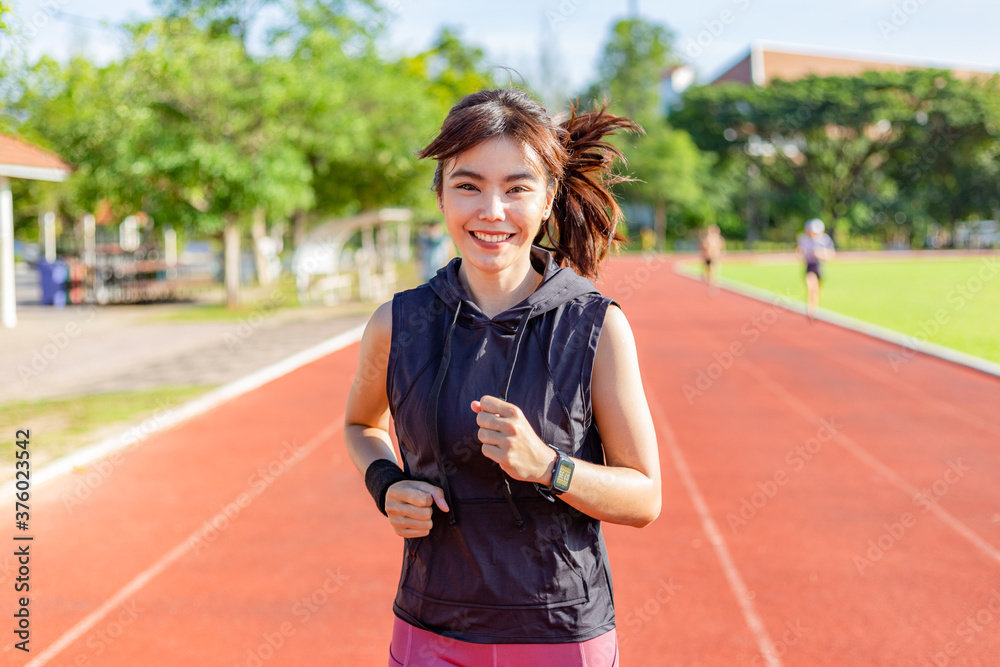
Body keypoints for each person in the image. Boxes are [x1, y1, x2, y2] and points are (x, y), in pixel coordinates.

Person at [344, 88, 661, 667]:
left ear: (547, 200)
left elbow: (644, 495)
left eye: (517, 188)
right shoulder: (397, 323)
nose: (492, 210)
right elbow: (360, 423)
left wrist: (549, 466)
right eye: (468, 185)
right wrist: (386, 483)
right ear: (439, 194)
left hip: (562, 633)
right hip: (430, 627)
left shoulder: (597, 326)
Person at [796, 218, 835, 319]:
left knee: (816, 290)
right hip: (810, 265)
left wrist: (820, 253)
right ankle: (810, 309)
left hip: (820, 266)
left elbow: (831, 255)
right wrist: (801, 253)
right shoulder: (803, 239)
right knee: (811, 286)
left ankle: (814, 309)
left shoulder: (824, 240)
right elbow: (799, 252)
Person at [698, 224, 725, 291]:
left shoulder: (719, 239)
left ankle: (713, 283)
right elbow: (703, 247)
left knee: (714, 269)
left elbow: (722, 246)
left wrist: (720, 253)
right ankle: (710, 281)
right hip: (708, 257)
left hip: (715, 257)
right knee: (708, 270)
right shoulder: (708, 239)